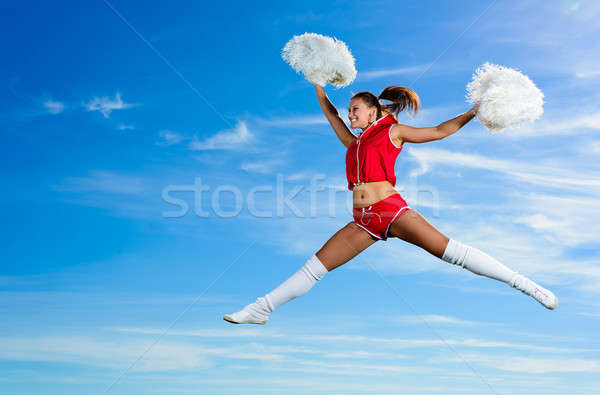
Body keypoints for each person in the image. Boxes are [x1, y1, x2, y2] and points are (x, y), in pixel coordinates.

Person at [223, 84, 557, 325]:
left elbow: (441, 130)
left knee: (451, 252)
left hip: (391, 211)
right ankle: (261, 309)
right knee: (314, 267)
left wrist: (473, 111)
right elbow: (330, 113)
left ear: (372, 111)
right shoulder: (352, 143)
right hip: (363, 221)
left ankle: (527, 285)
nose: (350, 113)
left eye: (355, 109)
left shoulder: (392, 132)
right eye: (349, 109)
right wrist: (317, 84)